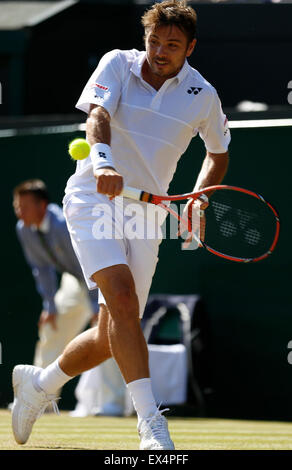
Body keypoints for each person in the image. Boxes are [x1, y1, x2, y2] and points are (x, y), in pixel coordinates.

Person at [11, 0, 230, 450]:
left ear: (191, 47)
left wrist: (197, 199)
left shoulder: (203, 95)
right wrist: (104, 162)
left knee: (115, 332)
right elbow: (98, 116)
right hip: (94, 197)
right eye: (154, 41)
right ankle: (151, 424)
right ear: (143, 39)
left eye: (172, 44)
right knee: (125, 300)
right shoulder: (117, 63)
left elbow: (218, 154)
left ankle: (40, 385)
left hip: (147, 213)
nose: (160, 51)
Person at [12, 179, 126, 415]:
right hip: (75, 281)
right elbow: (41, 269)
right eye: (17, 206)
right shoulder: (24, 229)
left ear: (42, 206)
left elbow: (88, 262)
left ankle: (112, 403)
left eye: (24, 206)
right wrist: (49, 305)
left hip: (100, 275)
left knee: (105, 333)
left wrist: (97, 304)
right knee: (52, 328)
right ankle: (36, 397)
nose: (19, 211)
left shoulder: (64, 225)